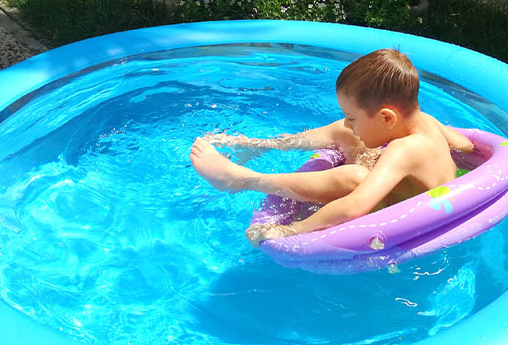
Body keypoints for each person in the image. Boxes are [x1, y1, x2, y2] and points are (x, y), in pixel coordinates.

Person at [189, 48, 474, 245]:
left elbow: (354, 207)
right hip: (408, 180)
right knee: (345, 133)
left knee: (355, 178)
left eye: (352, 116)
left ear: (388, 117)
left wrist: (292, 230)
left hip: (406, 219)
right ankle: (266, 145)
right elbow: (468, 148)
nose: (347, 122)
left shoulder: (404, 150)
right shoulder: (427, 122)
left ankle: (241, 179)